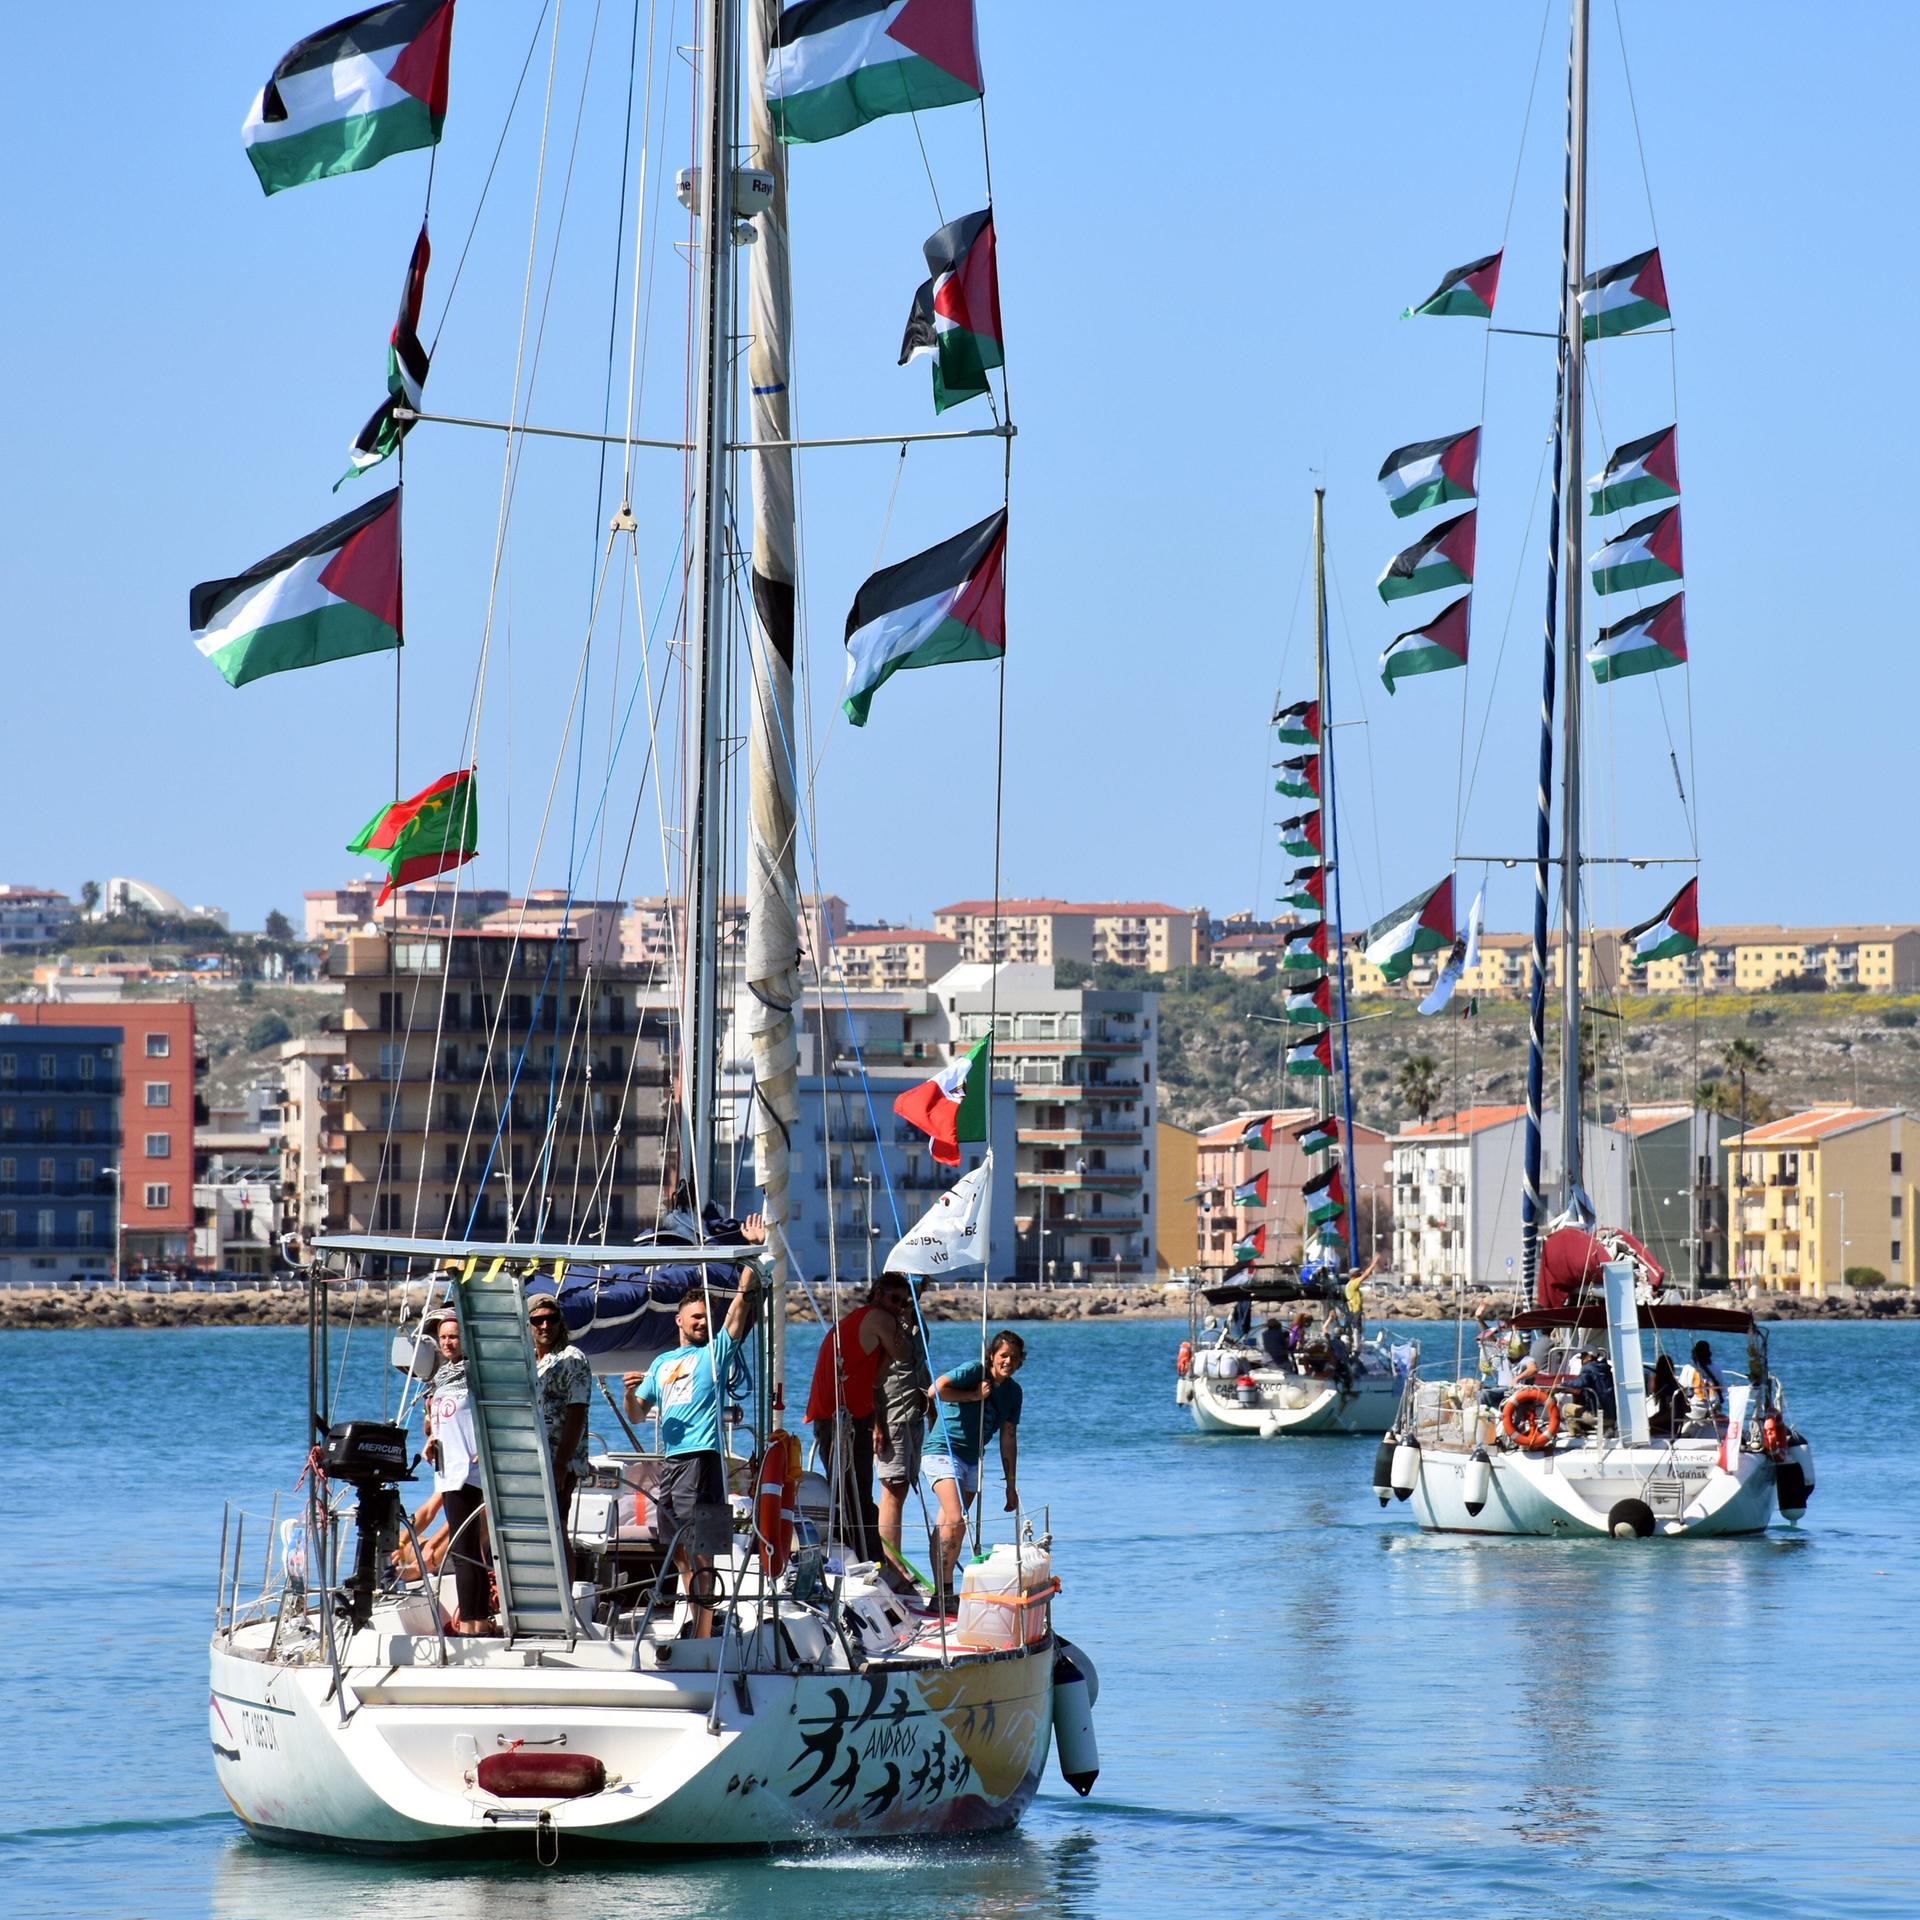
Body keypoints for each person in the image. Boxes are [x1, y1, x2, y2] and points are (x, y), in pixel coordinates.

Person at [623, 1261, 767, 1638]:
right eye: (696, 1317)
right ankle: (699, 1623)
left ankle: (702, 1633)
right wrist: (629, 1392)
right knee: (679, 1552)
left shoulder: (715, 1353)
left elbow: (739, 1307)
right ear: (679, 1321)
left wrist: (751, 1261)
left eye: (707, 1317)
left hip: (702, 1458)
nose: (702, 1323)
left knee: (701, 1549)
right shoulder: (662, 1363)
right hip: (672, 1463)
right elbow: (637, 1414)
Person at [804, 1278, 914, 1564]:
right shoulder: (879, 1317)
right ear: (877, 1294)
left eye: (904, 1303)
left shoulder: (859, 1319)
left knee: (851, 1493)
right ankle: (867, 1559)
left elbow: (876, 1379)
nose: (898, 1307)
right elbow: (905, 1354)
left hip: (839, 1415)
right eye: (895, 1299)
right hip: (842, 1418)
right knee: (854, 1495)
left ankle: (858, 1554)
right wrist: (904, 1324)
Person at [924, 1329, 1025, 1613]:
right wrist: (972, 1395)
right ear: (992, 1355)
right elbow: (935, 1390)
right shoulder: (974, 1370)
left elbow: (1008, 1437)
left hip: (972, 1459)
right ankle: (945, 1593)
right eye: (1003, 1355)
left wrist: (1010, 1484)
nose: (1008, 1361)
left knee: (949, 1525)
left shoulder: (1014, 1392)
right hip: (943, 1451)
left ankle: (940, 1593)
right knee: (956, 1519)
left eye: (1014, 1357)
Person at [423, 1312, 494, 1633]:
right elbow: (440, 1422)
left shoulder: (477, 1375)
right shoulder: (441, 1378)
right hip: (447, 1469)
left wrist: (488, 1446)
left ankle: (469, 1623)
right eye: (443, 1338)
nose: (448, 1343)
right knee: (468, 1549)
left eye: (453, 1336)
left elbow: (495, 1414)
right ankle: (479, 1620)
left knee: (463, 1550)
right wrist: (431, 1439)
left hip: (469, 1470)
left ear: (466, 1338)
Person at [871, 1275, 932, 1583]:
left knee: (903, 1488)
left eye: (919, 1288)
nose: (912, 1296)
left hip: (913, 1413)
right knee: (892, 1488)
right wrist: (877, 1423)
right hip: (892, 1413)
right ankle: (892, 1564)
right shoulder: (886, 1323)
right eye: (910, 1287)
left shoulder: (914, 1322)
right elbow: (874, 1378)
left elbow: (920, 1366)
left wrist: (930, 1405)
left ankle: (896, 1557)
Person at [1681, 1339, 1726, 1429]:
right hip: (1711, 1408)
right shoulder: (1716, 1368)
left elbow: (1682, 1387)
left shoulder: (1688, 1368)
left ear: (1694, 1353)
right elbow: (1721, 1389)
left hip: (1693, 1408)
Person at [1568, 1346, 1616, 1424]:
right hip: (1612, 1417)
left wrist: (1563, 1384)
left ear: (1589, 1357)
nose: (1581, 1360)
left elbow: (1580, 1383)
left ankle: (1576, 1431)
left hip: (1598, 1417)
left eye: (1583, 1356)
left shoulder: (1587, 1368)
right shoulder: (1605, 1369)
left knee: (1566, 1409)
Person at [1646, 1352, 1687, 1435]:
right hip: (1673, 1426)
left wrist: (1651, 1421)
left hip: (1669, 1428)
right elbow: (1664, 1412)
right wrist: (1650, 1419)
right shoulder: (1673, 1384)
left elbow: (1670, 1414)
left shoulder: (1668, 1389)